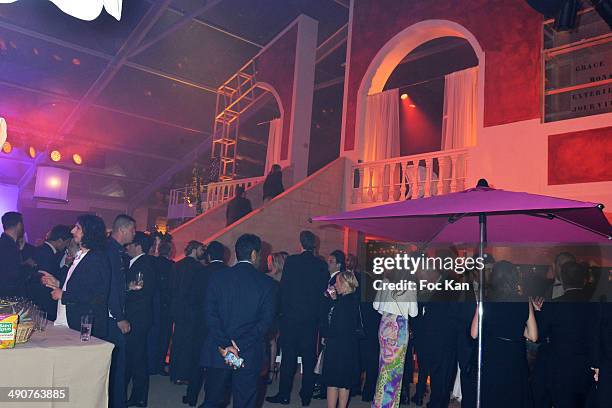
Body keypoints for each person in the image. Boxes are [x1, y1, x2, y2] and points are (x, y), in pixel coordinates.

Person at [200, 234, 277, 408]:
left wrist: (226, 345)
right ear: (255, 255)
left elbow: (209, 314)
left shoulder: (218, 278)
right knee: (245, 402)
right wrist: (239, 345)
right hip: (248, 352)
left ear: (236, 253)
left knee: (213, 400)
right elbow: (265, 323)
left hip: (219, 351)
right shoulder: (267, 284)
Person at [267, 231, 329, 406]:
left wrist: (281, 312)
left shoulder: (292, 261)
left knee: (289, 358)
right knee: (309, 358)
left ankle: (285, 394)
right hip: (311, 320)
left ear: (300, 244)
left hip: (291, 318)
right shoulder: (320, 265)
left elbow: (284, 289)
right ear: (314, 245)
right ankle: (306, 396)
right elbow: (323, 295)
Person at [471, 261, 538, 408]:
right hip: (515, 355)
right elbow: (533, 336)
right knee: (514, 395)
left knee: (493, 395)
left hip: (493, 355)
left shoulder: (486, 301)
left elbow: (474, 333)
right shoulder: (524, 301)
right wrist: (515, 328)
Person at [534, 261, 598, 408]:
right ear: (583, 279)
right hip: (587, 369)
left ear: (562, 279)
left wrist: (538, 313)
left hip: (560, 370)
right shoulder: (595, 305)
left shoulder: (554, 305)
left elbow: (539, 335)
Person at [43, 214, 110, 339]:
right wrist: (58, 283)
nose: (72, 230)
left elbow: (96, 296)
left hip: (84, 326)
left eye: (78, 228)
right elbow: (81, 285)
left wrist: (63, 295)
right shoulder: (81, 256)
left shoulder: (97, 259)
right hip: (70, 321)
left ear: (89, 232)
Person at [184, 241, 226, 407]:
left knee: (197, 361)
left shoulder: (201, 272)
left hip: (201, 323)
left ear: (208, 256)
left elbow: (192, 298)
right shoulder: (229, 273)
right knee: (218, 366)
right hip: (222, 325)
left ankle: (192, 396)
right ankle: (213, 399)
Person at [106, 214, 137, 408]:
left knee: (117, 364)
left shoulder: (115, 251)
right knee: (117, 365)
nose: (135, 233)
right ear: (123, 230)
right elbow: (108, 287)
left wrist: (127, 287)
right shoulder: (110, 251)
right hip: (111, 318)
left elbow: (115, 285)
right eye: (133, 229)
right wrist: (119, 317)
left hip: (112, 314)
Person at [320, 271, 361, 408]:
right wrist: (334, 300)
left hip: (337, 346)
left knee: (332, 382)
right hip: (349, 346)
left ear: (344, 284)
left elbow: (335, 325)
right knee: (344, 381)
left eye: (337, 282)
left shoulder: (342, 302)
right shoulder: (352, 299)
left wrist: (326, 335)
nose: (334, 285)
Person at [124, 232, 156, 407]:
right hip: (138, 317)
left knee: (137, 359)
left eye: (129, 244)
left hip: (138, 318)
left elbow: (140, 292)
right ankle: (137, 396)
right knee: (134, 358)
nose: (126, 247)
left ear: (137, 246)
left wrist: (125, 289)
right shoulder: (138, 263)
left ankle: (139, 397)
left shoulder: (143, 264)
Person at [170, 240, 206, 383]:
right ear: (195, 249)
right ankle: (184, 375)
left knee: (177, 341)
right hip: (192, 311)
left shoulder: (177, 265)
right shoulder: (199, 268)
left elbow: (171, 288)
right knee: (188, 343)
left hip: (177, 310)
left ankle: (174, 373)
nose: (202, 253)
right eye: (201, 250)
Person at [30, 225, 72, 321]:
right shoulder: (47, 253)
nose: (67, 246)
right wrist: (66, 265)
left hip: (38, 299)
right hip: (44, 300)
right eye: (67, 242)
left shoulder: (43, 250)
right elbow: (51, 277)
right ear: (61, 240)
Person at [265, 252, 287, 384]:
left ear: (273, 262)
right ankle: (273, 369)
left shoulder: (267, 277)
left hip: (272, 312)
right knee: (276, 342)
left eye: (269, 261)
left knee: (271, 341)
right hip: (282, 313)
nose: (267, 263)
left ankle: (270, 370)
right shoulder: (285, 278)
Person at [155, 240, 175, 376]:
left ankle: (152, 362)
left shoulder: (153, 263)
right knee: (164, 336)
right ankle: (159, 364)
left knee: (154, 335)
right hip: (167, 306)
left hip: (154, 304)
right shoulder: (172, 266)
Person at [0, 211, 27, 297]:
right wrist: (28, 266)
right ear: (19, 225)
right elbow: (13, 275)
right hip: (7, 297)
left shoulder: (6, 243)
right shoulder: (10, 247)